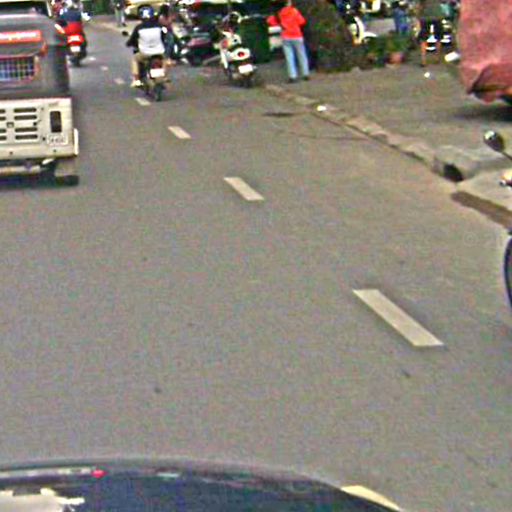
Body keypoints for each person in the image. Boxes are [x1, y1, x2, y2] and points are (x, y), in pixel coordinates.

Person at [267, 0, 310, 83]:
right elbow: (302, 21)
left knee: (289, 57)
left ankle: (292, 76)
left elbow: (270, 21)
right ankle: (305, 74)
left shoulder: (279, 13)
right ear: (287, 3)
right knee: (302, 55)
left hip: (286, 36)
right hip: (297, 35)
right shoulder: (294, 11)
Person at [126, 6, 168, 87]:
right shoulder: (159, 26)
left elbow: (132, 40)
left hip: (145, 53)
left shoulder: (138, 28)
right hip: (159, 52)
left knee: (135, 59)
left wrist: (129, 44)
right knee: (165, 59)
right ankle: (164, 76)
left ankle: (136, 80)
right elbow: (164, 37)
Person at [417, 0, 444, 67]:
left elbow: (420, 5)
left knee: (423, 39)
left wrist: (418, 16)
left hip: (425, 17)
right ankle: (437, 58)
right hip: (437, 15)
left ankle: (423, 60)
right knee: (438, 38)